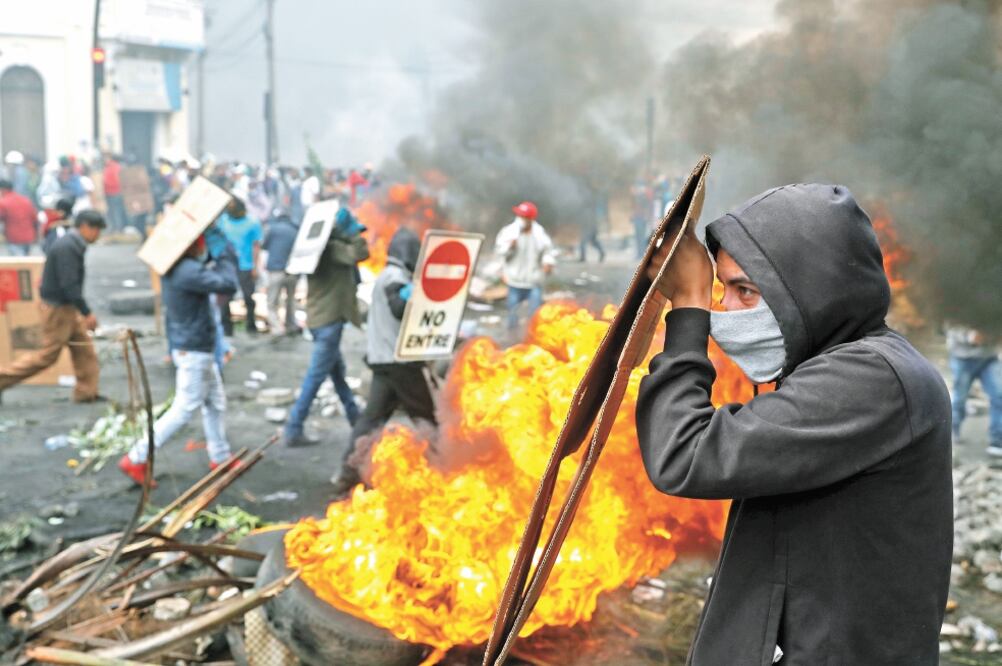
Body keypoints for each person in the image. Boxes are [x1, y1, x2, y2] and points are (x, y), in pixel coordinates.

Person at [636, 184, 952, 664]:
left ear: (812, 290)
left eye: (746, 290)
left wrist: (689, 305)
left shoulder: (872, 378)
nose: (727, 310)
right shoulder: (838, 366)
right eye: (722, 290)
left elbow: (685, 454)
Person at [118, 228, 239, 485]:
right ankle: (136, 457)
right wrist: (226, 256)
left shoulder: (179, 267)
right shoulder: (188, 271)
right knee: (184, 409)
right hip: (195, 350)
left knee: (215, 403)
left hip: (194, 346)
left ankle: (220, 456)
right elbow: (228, 284)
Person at [332, 227, 437, 496]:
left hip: (384, 360)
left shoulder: (389, 275)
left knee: (371, 420)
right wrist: (409, 295)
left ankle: (347, 473)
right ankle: (447, 468)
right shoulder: (394, 277)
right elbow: (397, 307)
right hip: (399, 362)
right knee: (427, 418)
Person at [282, 206, 367, 448]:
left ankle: (355, 418)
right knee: (316, 376)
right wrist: (354, 233)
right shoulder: (332, 249)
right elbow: (358, 254)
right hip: (329, 321)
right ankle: (294, 428)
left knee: (337, 373)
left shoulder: (317, 250)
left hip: (320, 319)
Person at [0, 210, 105, 402]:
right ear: (85, 227)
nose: (98, 235)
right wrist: (86, 312)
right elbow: (69, 284)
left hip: (65, 307)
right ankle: (2, 379)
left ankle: (86, 392)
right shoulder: (68, 247)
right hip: (58, 309)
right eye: (97, 230)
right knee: (47, 356)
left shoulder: (73, 244)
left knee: (84, 350)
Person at [494, 201, 556, 331]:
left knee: (535, 316)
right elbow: (500, 252)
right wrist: (509, 247)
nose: (521, 219)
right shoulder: (509, 232)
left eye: (524, 217)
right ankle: (512, 340)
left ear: (531, 219)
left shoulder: (539, 234)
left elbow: (548, 251)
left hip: (533, 282)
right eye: (520, 216)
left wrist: (548, 262)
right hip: (514, 282)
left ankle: (532, 340)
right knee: (512, 315)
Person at [946, 325, 1001, 456]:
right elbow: (950, 324)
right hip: (963, 358)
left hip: (989, 358)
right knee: (959, 399)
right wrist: (969, 336)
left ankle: (997, 441)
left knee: (999, 396)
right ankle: (952, 432)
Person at [218, 198, 262, 334]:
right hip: (227, 265)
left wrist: (255, 267)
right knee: (225, 298)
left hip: (246, 265)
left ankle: (251, 325)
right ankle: (227, 328)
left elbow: (256, 246)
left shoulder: (253, 222)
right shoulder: (223, 221)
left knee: (248, 296)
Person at [262, 207, 301, 335]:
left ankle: (277, 328)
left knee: (272, 301)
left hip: (276, 270)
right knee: (290, 300)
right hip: (292, 271)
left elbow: (264, 246)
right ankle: (291, 325)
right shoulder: (296, 230)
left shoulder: (272, 229)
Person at [0, 178, 38, 255]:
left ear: (2, 189)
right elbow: (35, 219)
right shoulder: (26, 200)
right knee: (26, 263)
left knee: (19, 264)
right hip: (28, 237)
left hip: (14, 239)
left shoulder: (4, 202)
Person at [102, 154, 127, 232]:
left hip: (111, 192)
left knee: (113, 212)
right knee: (117, 211)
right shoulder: (119, 167)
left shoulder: (109, 167)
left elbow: (106, 180)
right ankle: (118, 228)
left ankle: (115, 229)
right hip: (118, 192)